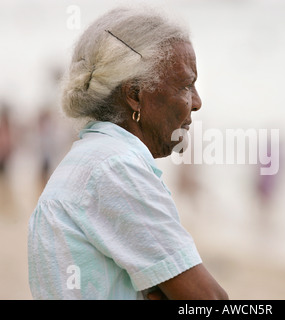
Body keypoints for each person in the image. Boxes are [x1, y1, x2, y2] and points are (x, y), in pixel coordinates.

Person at [27, 6, 228, 300]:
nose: (196, 102)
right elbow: (211, 301)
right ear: (134, 95)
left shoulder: (84, 163)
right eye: (185, 85)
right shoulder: (117, 168)